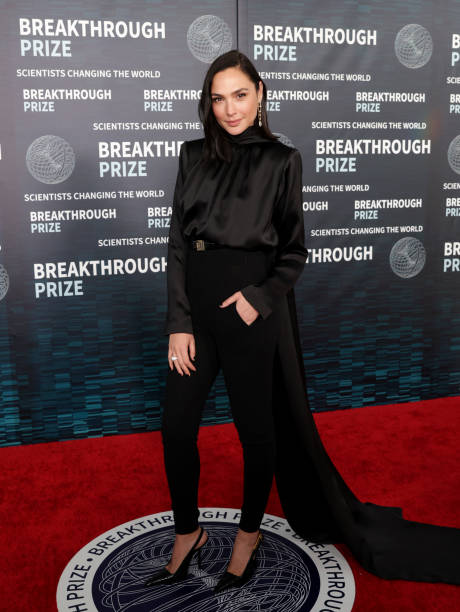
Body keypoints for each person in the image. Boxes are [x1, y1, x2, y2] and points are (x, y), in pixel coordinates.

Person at [145, 49, 460, 591]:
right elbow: (176, 243)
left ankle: (248, 533)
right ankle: (187, 531)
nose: (230, 109)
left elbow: (293, 252)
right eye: (218, 98)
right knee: (176, 428)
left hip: (250, 313)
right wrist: (178, 319)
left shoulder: (280, 160)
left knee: (255, 431)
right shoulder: (191, 154)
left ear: (260, 93)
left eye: (240, 95)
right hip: (194, 312)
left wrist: (257, 299)